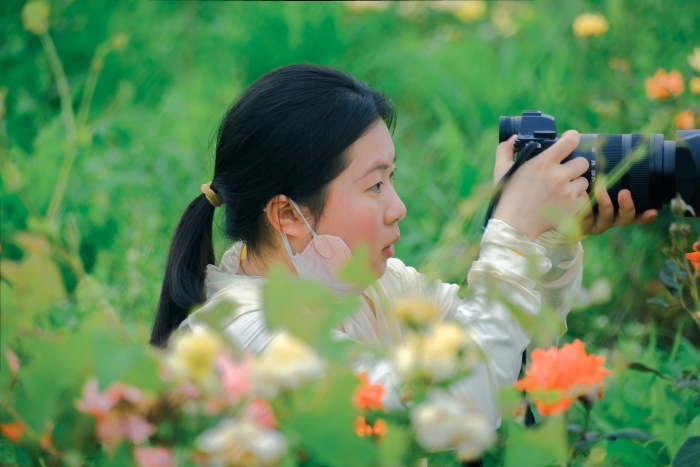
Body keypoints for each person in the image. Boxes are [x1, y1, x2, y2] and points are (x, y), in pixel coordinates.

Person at [149, 64, 658, 428]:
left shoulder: (374, 288)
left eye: (391, 179)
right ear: (287, 215)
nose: (397, 207)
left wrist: (546, 239)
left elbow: (514, 362)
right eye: (374, 186)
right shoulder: (241, 333)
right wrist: (511, 235)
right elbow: (456, 404)